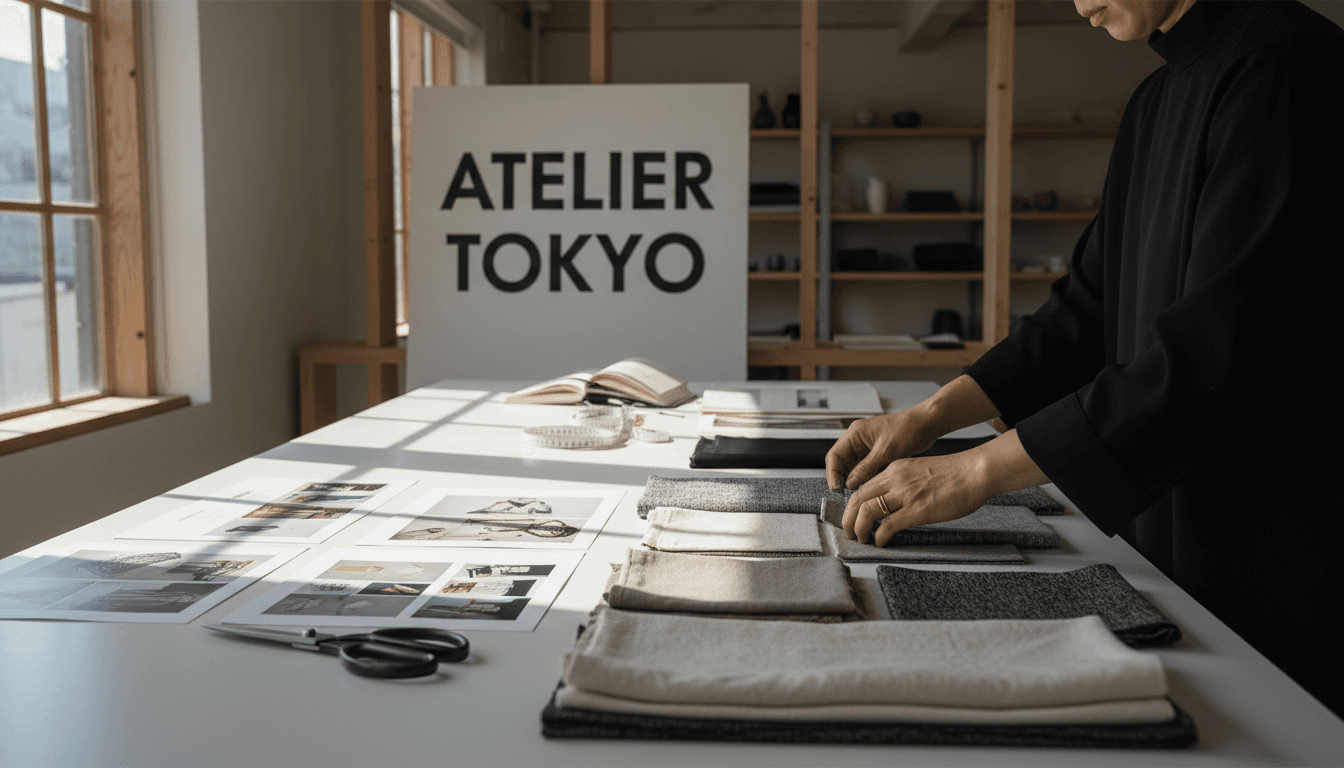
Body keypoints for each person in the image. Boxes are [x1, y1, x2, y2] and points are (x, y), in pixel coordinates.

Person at [826, 0, 1343, 715]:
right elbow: (1085, 315)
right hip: (1171, 526)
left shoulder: (1288, 65)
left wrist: (975, 470)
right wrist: (930, 417)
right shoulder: (1155, 96)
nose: (1077, 4)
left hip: (1275, 531)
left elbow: (1213, 352)